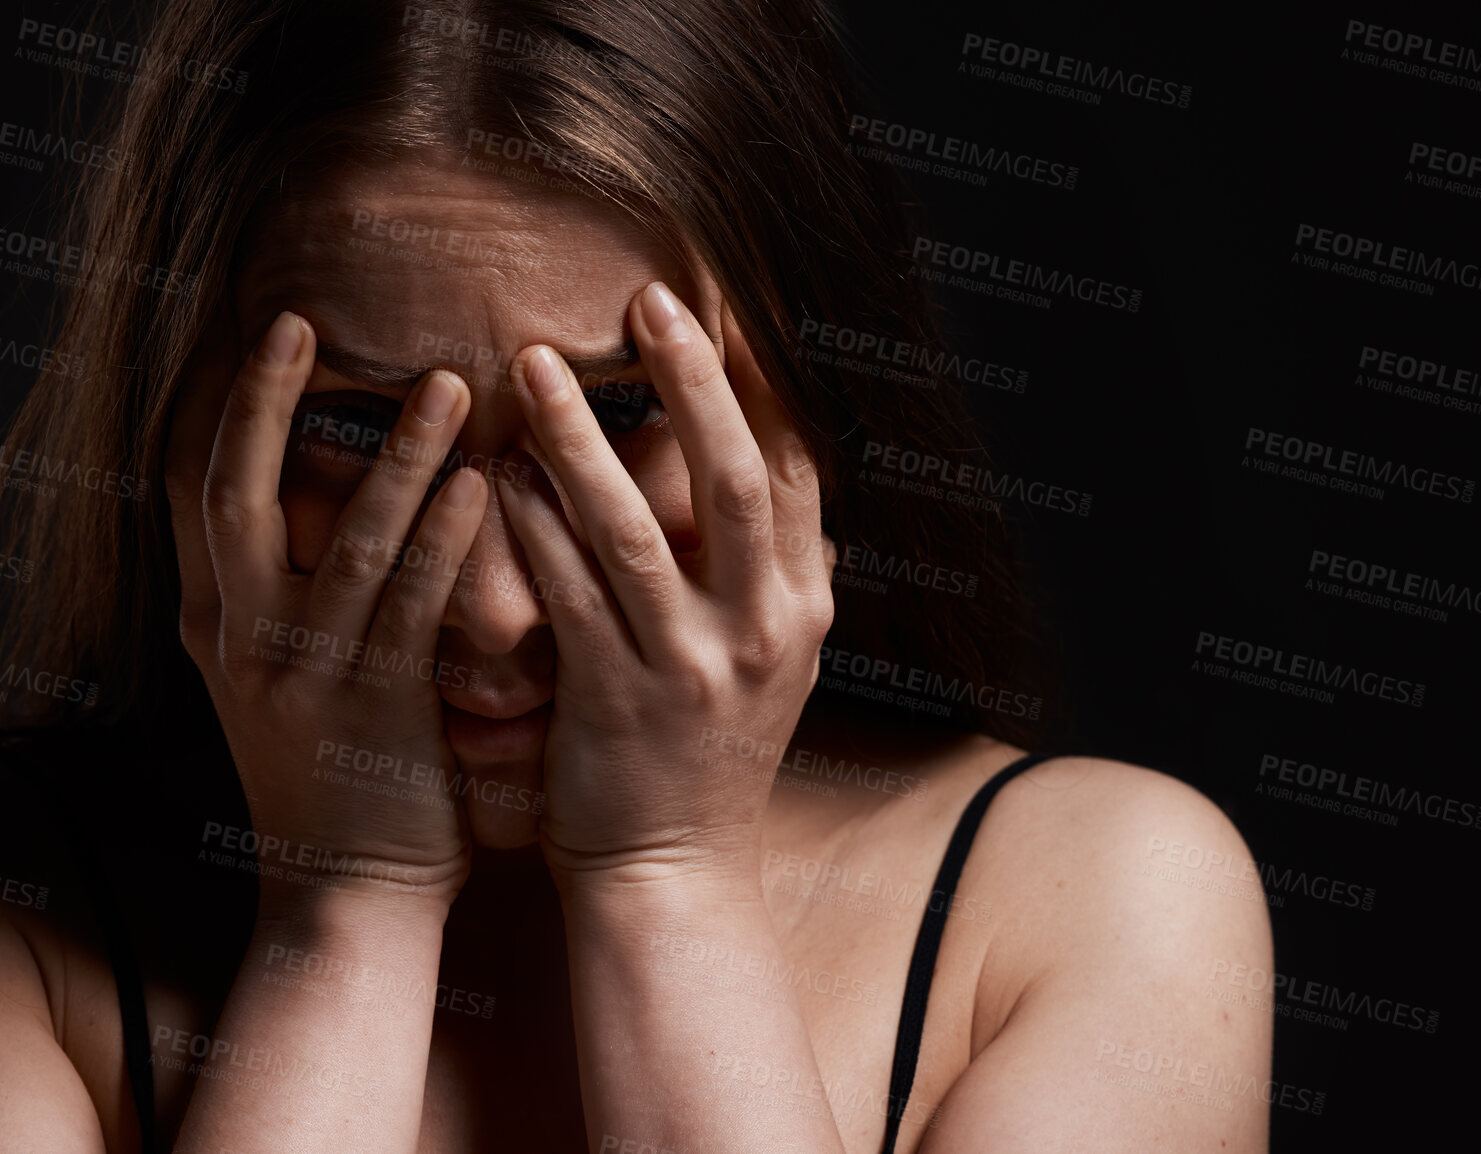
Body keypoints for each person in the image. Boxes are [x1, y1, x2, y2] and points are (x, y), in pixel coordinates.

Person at [0, 1, 1274, 1150]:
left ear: (817, 407)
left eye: (616, 419)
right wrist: (347, 909)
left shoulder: (1092, 902)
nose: (495, 610)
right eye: (355, 426)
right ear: (180, 430)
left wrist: (666, 877)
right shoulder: (27, 924)